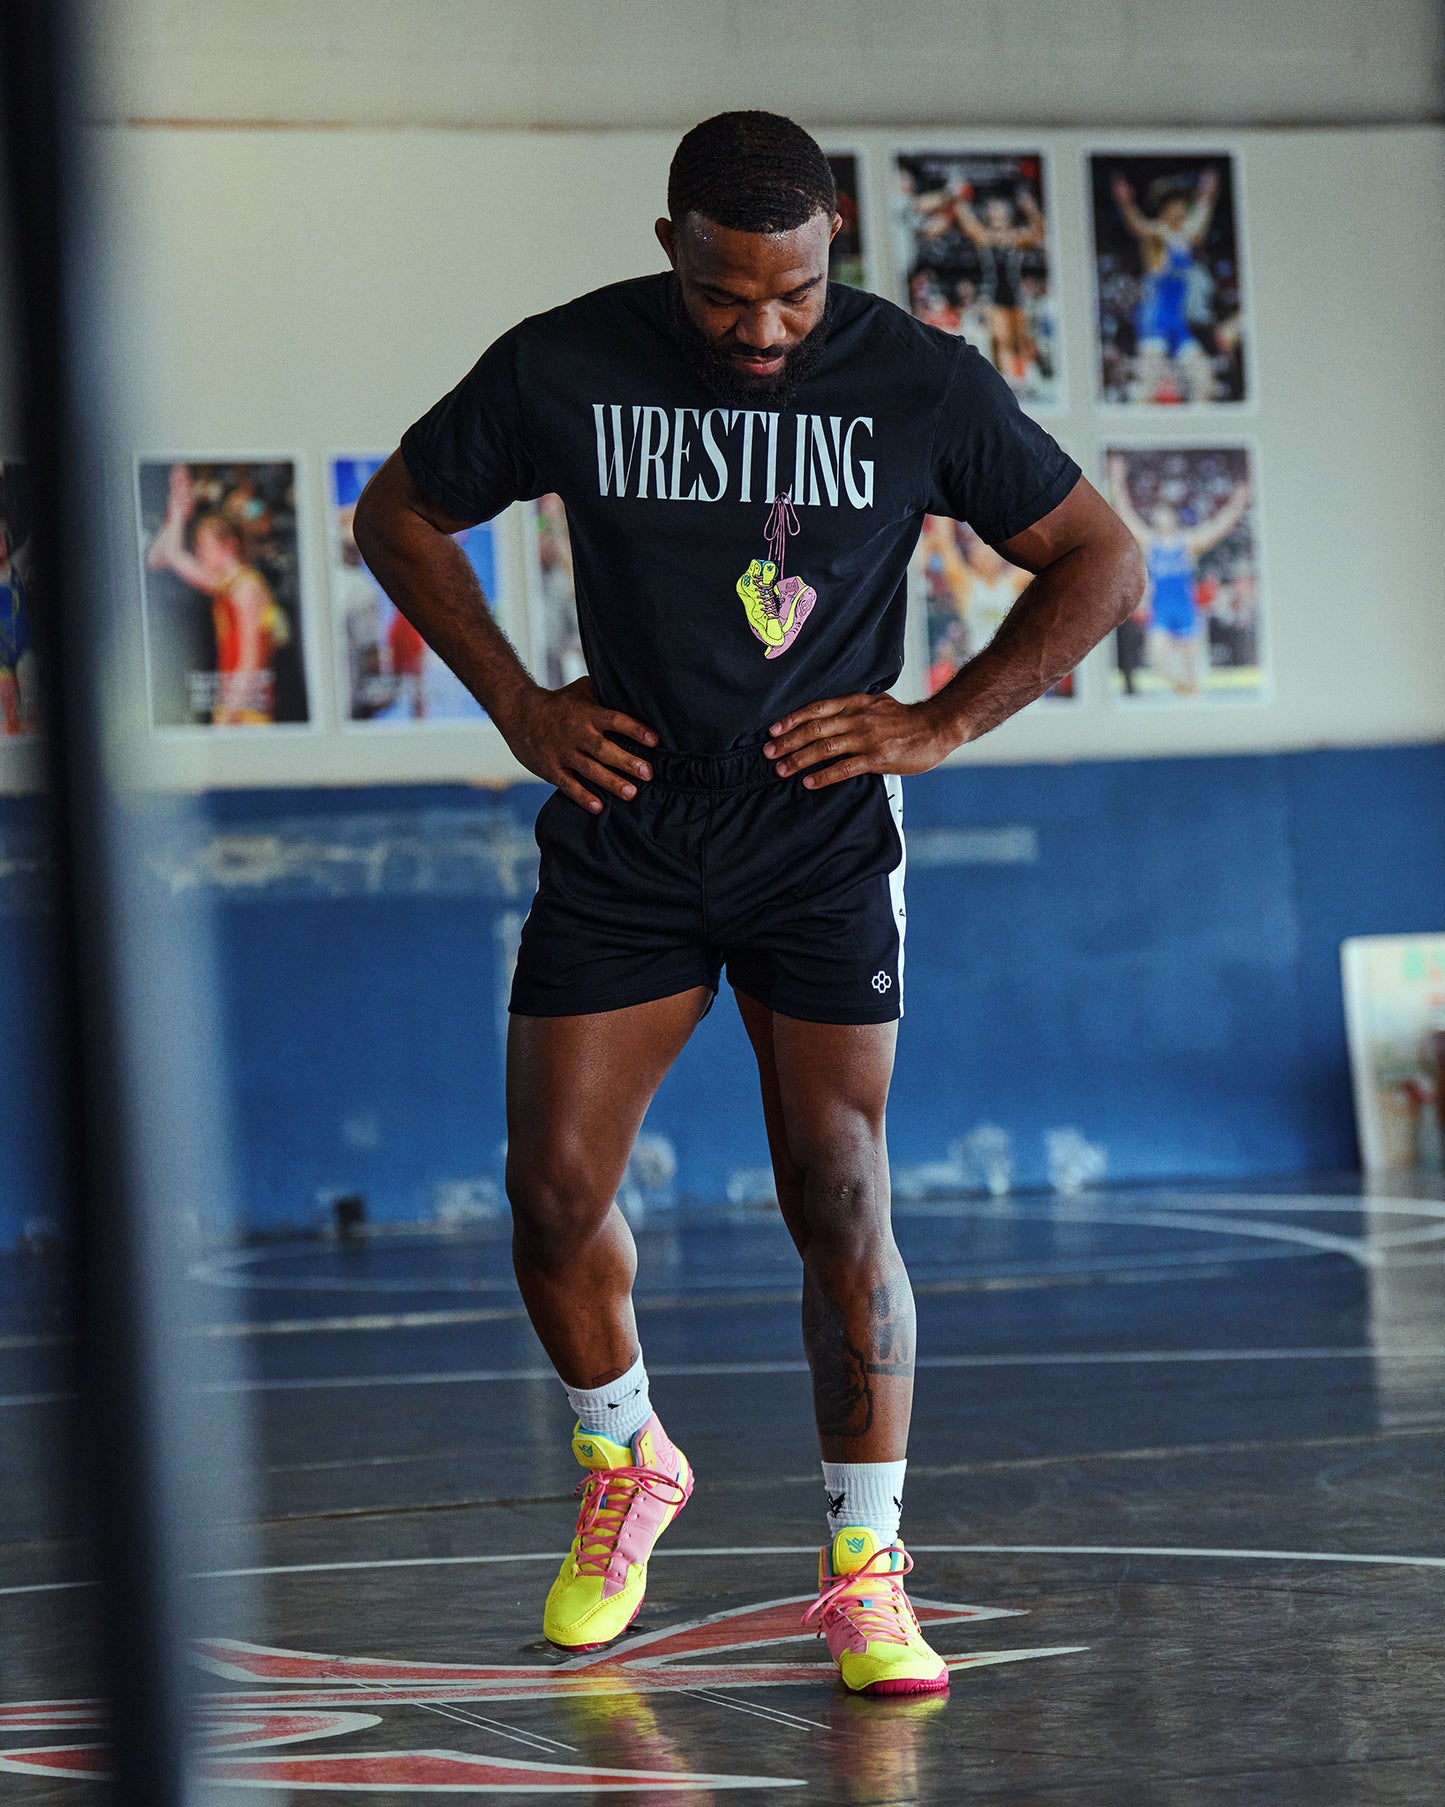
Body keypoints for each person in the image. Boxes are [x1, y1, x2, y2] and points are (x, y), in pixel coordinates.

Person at [354, 110, 1143, 1698]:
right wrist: (519, 706)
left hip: (818, 830)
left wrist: (937, 721)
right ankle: (625, 1453)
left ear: (833, 238)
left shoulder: (918, 379)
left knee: (838, 1192)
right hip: (631, 812)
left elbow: (1099, 562)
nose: (766, 329)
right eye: (729, 296)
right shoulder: (563, 362)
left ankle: (865, 1563)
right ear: (672, 248)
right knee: (553, 1193)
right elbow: (398, 513)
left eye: (794, 292)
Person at [146, 464, 290, 725]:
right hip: (235, 709)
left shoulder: (247, 588)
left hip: (246, 714)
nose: (199, 554)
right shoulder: (228, 586)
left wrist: (229, 715)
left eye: (204, 546)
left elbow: (251, 659)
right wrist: (178, 509)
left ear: (229, 545)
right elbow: (163, 559)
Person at [1108, 454, 1250, 695]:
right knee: (1159, 663)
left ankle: (1191, 698)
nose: (1161, 518)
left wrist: (1238, 501)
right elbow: (1126, 517)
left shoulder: (1187, 544)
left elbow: (1218, 528)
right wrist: (1117, 481)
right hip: (1161, 611)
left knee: (1192, 672)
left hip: (1186, 611)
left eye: (1166, 513)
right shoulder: (1150, 542)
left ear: (1173, 518)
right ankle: (1181, 688)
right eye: (1158, 514)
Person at [1110, 168, 1221, 403]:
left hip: (1177, 322)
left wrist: (1206, 196)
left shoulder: (1184, 236)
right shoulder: (1158, 234)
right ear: (1168, 207)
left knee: (1204, 381)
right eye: (1180, 204)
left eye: (1185, 204)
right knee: (1146, 390)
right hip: (1155, 320)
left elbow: (1199, 223)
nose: (1183, 209)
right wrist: (1126, 203)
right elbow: (1137, 226)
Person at [0, 508, 34, 736]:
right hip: (1, 659)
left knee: (30, 710)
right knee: (11, 719)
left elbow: (32, 544)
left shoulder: (16, 566)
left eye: (2, 536)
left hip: (24, 652)